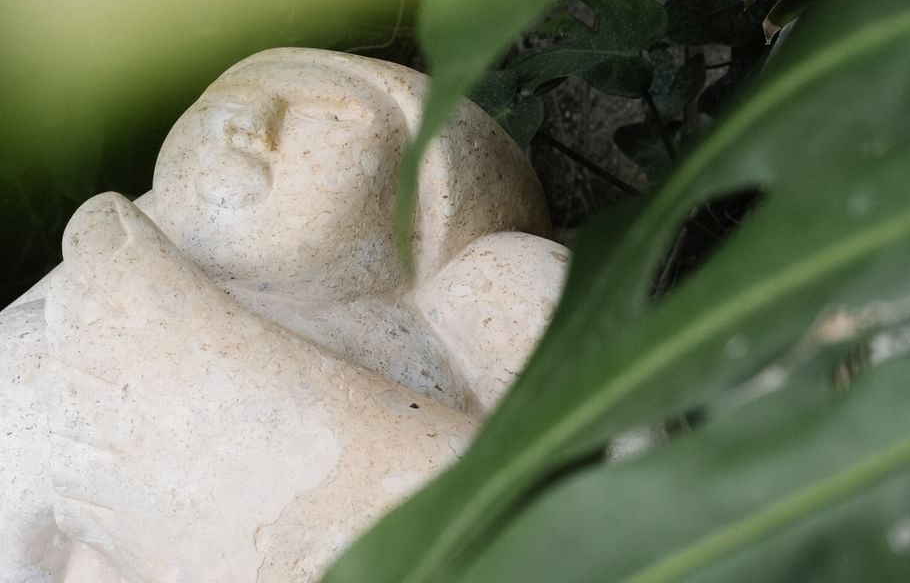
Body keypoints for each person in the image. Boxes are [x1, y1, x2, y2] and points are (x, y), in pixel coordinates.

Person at [1, 50, 569, 582]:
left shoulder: (485, 305)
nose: (250, 122)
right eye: (224, 98)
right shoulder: (67, 317)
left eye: (328, 116)